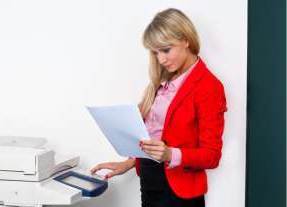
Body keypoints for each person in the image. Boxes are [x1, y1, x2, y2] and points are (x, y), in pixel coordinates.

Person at [90, 8, 227, 207]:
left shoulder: (209, 86)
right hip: (149, 181)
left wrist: (170, 154)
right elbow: (152, 136)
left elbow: (212, 156)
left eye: (165, 49)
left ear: (186, 39)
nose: (161, 59)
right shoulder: (160, 82)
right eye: (155, 52)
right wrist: (128, 163)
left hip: (180, 192)